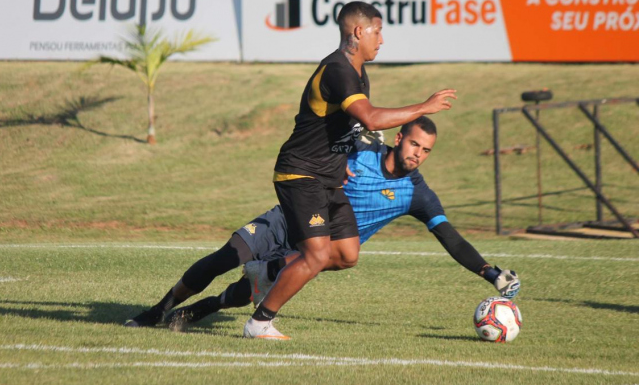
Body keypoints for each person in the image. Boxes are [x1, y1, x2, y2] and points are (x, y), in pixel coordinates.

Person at [125, 118, 520, 334]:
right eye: (415, 144)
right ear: (400, 138)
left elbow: (449, 237)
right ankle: (160, 309)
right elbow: (320, 141)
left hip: (312, 250)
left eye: (427, 150)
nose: (419, 154)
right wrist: (341, 149)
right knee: (223, 259)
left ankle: (197, 313)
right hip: (287, 219)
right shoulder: (364, 147)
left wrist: (491, 273)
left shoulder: (418, 194)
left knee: (244, 294)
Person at [243, 1, 457, 340]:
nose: (382, 40)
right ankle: (259, 323)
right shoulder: (338, 70)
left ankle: (266, 272)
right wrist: (424, 106)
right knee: (315, 256)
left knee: (346, 254)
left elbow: (347, 129)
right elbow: (370, 118)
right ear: (359, 31)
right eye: (378, 30)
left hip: (328, 177)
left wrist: (340, 163)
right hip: (302, 172)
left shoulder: (358, 72)